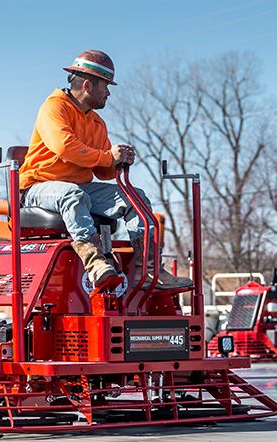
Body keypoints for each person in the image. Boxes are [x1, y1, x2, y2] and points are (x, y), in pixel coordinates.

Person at [19, 50, 191, 290]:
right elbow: (64, 147)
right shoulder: (54, 108)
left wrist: (118, 162)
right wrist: (108, 156)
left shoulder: (97, 123)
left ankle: (150, 271)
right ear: (88, 85)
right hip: (39, 188)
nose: (109, 93)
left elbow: (102, 171)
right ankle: (96, 262)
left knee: (136, 198)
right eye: (106, 86)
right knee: (72, 194)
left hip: (79, 188)